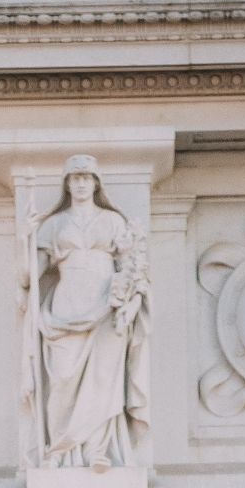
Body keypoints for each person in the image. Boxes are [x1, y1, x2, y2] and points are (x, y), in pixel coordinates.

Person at [23, 153, 150, 469]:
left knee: (103, 379)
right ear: (66, 184)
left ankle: (97, 450)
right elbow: (28, 277)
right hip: (66, 306)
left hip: (107, 304)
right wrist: (24, 237)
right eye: (75, 177)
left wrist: (130, 302)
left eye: (86, 177)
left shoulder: (113, 221)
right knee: (63, 378)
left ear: (96, 183)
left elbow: (133, 269)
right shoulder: (53, 225)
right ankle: (59, 450)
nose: (80, 183)